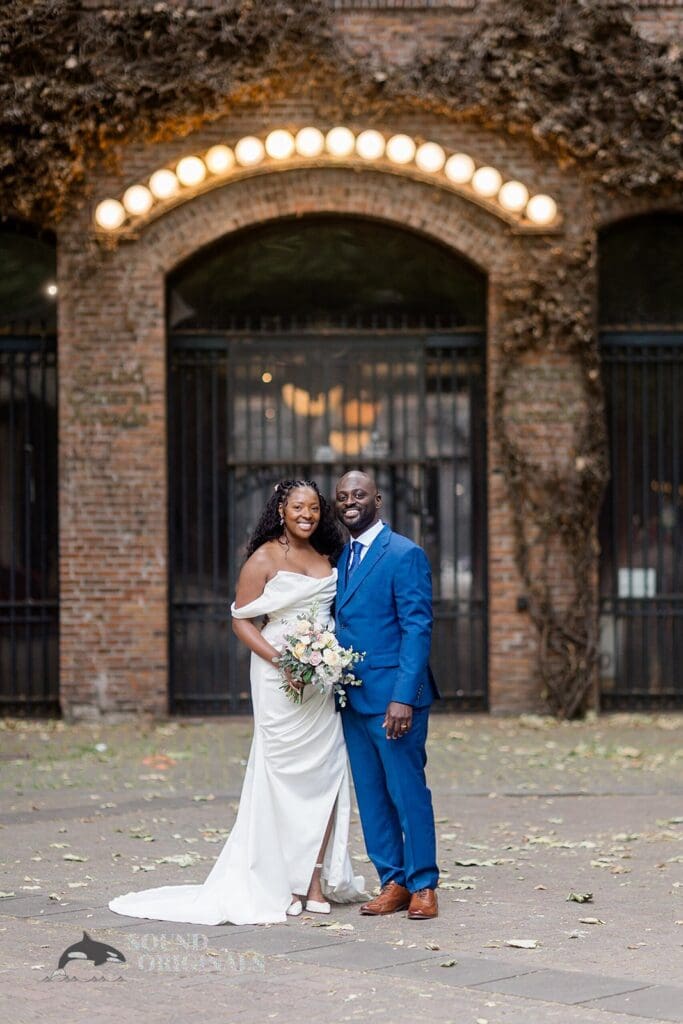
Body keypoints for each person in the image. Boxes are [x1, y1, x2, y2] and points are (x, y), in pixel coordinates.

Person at [109, 479, 365, 925]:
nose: (307, 515)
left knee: (325, 774)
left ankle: (315, 878)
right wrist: (282, 660)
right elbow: (241, 621)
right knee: (280, 776)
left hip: (320, 681)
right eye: (298, 507)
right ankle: (280, 879)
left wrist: (324, 659)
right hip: (277, 678)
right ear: (281, 509)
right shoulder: (263, 558)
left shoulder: (327, 555)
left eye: (314, 509)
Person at [334, 470, 440, 920]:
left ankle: (424, 885)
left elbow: (417, 628)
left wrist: (404, 697)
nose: (349, 502)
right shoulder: (342, 557)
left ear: (377, 500)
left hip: (394, 702)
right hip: (351, 699)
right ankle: (392, 880)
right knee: (372, 795)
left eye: (358, 494)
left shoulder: (404, 554)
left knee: (407, 791)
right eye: (341, 497)